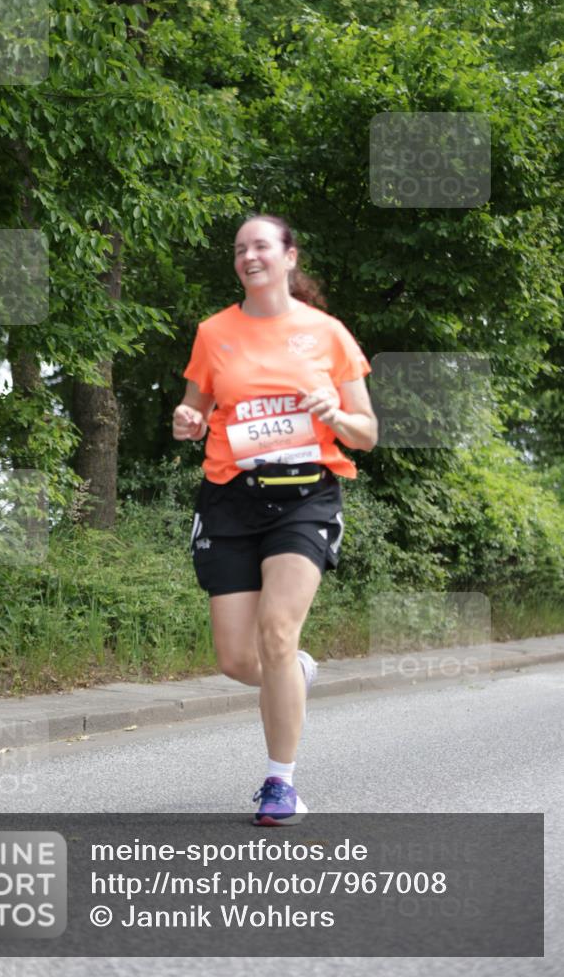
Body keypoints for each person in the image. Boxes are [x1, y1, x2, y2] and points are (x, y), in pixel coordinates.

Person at [173, 214, 378, 825]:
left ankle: (280, 783)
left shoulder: (328, 333)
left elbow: (366, 433)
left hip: (306, 497)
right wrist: (186, 421)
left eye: (261, 245)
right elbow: (193, 407)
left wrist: (335, 414)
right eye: (240, 249)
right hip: (230, 498)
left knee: (277, 632)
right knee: (238, 660)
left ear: (289, 256)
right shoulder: (215, 332)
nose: (248, 255)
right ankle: (294, 673)